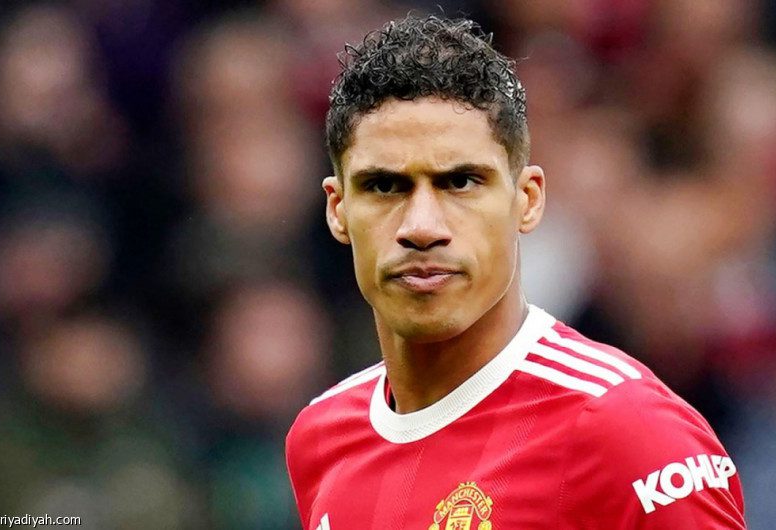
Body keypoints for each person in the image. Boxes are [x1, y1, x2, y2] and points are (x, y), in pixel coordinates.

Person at [285, 14, 746, 529]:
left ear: (527, 200)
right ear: (338, 209)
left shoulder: (625, 430)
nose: (421, 227)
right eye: (384, 186)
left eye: (460, 182)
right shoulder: (321, 437)